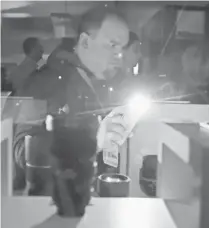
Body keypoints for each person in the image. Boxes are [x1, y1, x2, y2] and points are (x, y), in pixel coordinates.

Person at [13, 6, 130, 196]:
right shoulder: (44, 83)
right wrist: (93, 139)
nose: (120, 56)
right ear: (84, 42)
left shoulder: (96, 84)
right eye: (112, 45)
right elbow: (21, 151)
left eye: (123, 48)